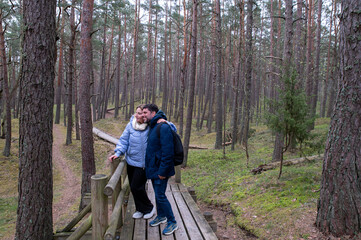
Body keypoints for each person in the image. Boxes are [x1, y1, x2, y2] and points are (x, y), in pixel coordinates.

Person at [108, 104, 155, 219]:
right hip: (131, 162)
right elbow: (123, 141)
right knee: (134, 188)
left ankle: (149, 207)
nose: (139, 115)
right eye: (137, 113)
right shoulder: (130, 125)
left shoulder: (151, 125)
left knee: (136, 187)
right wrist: (118, 153)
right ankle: (140, 209)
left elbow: (169, 127)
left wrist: (163, 120)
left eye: (142, 113)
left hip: (143, 164)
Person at [143, 103, 179, 235]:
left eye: (146, 113)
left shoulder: (162, 127)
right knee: (158, 195)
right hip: (154, 168)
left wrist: (163, 172)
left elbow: (168, 152)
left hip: (160, 170)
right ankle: (161, 216)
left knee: (160, 196)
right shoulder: (153, 125)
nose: (144, 115)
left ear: (153, 113)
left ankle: (172, 222)